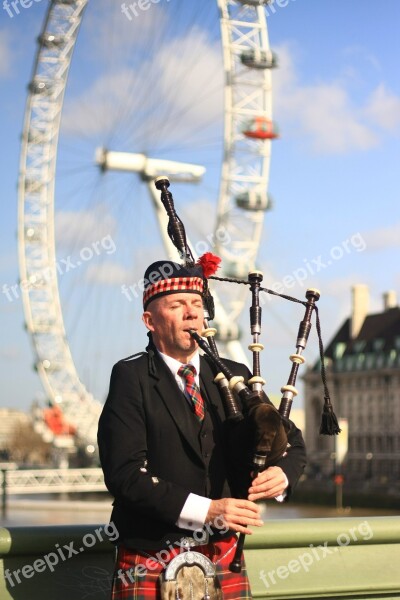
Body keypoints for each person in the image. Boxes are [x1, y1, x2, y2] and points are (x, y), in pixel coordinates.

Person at [98, 259, 306, 600]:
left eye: (196, 304)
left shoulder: (234, 373)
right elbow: (124, 474)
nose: (192, 313)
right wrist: (208, 510)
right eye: (177, 305)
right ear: (150, 321)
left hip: (224, 553)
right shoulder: (130, 376)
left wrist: (282, 474)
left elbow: (292, 443)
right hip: (153, 554)